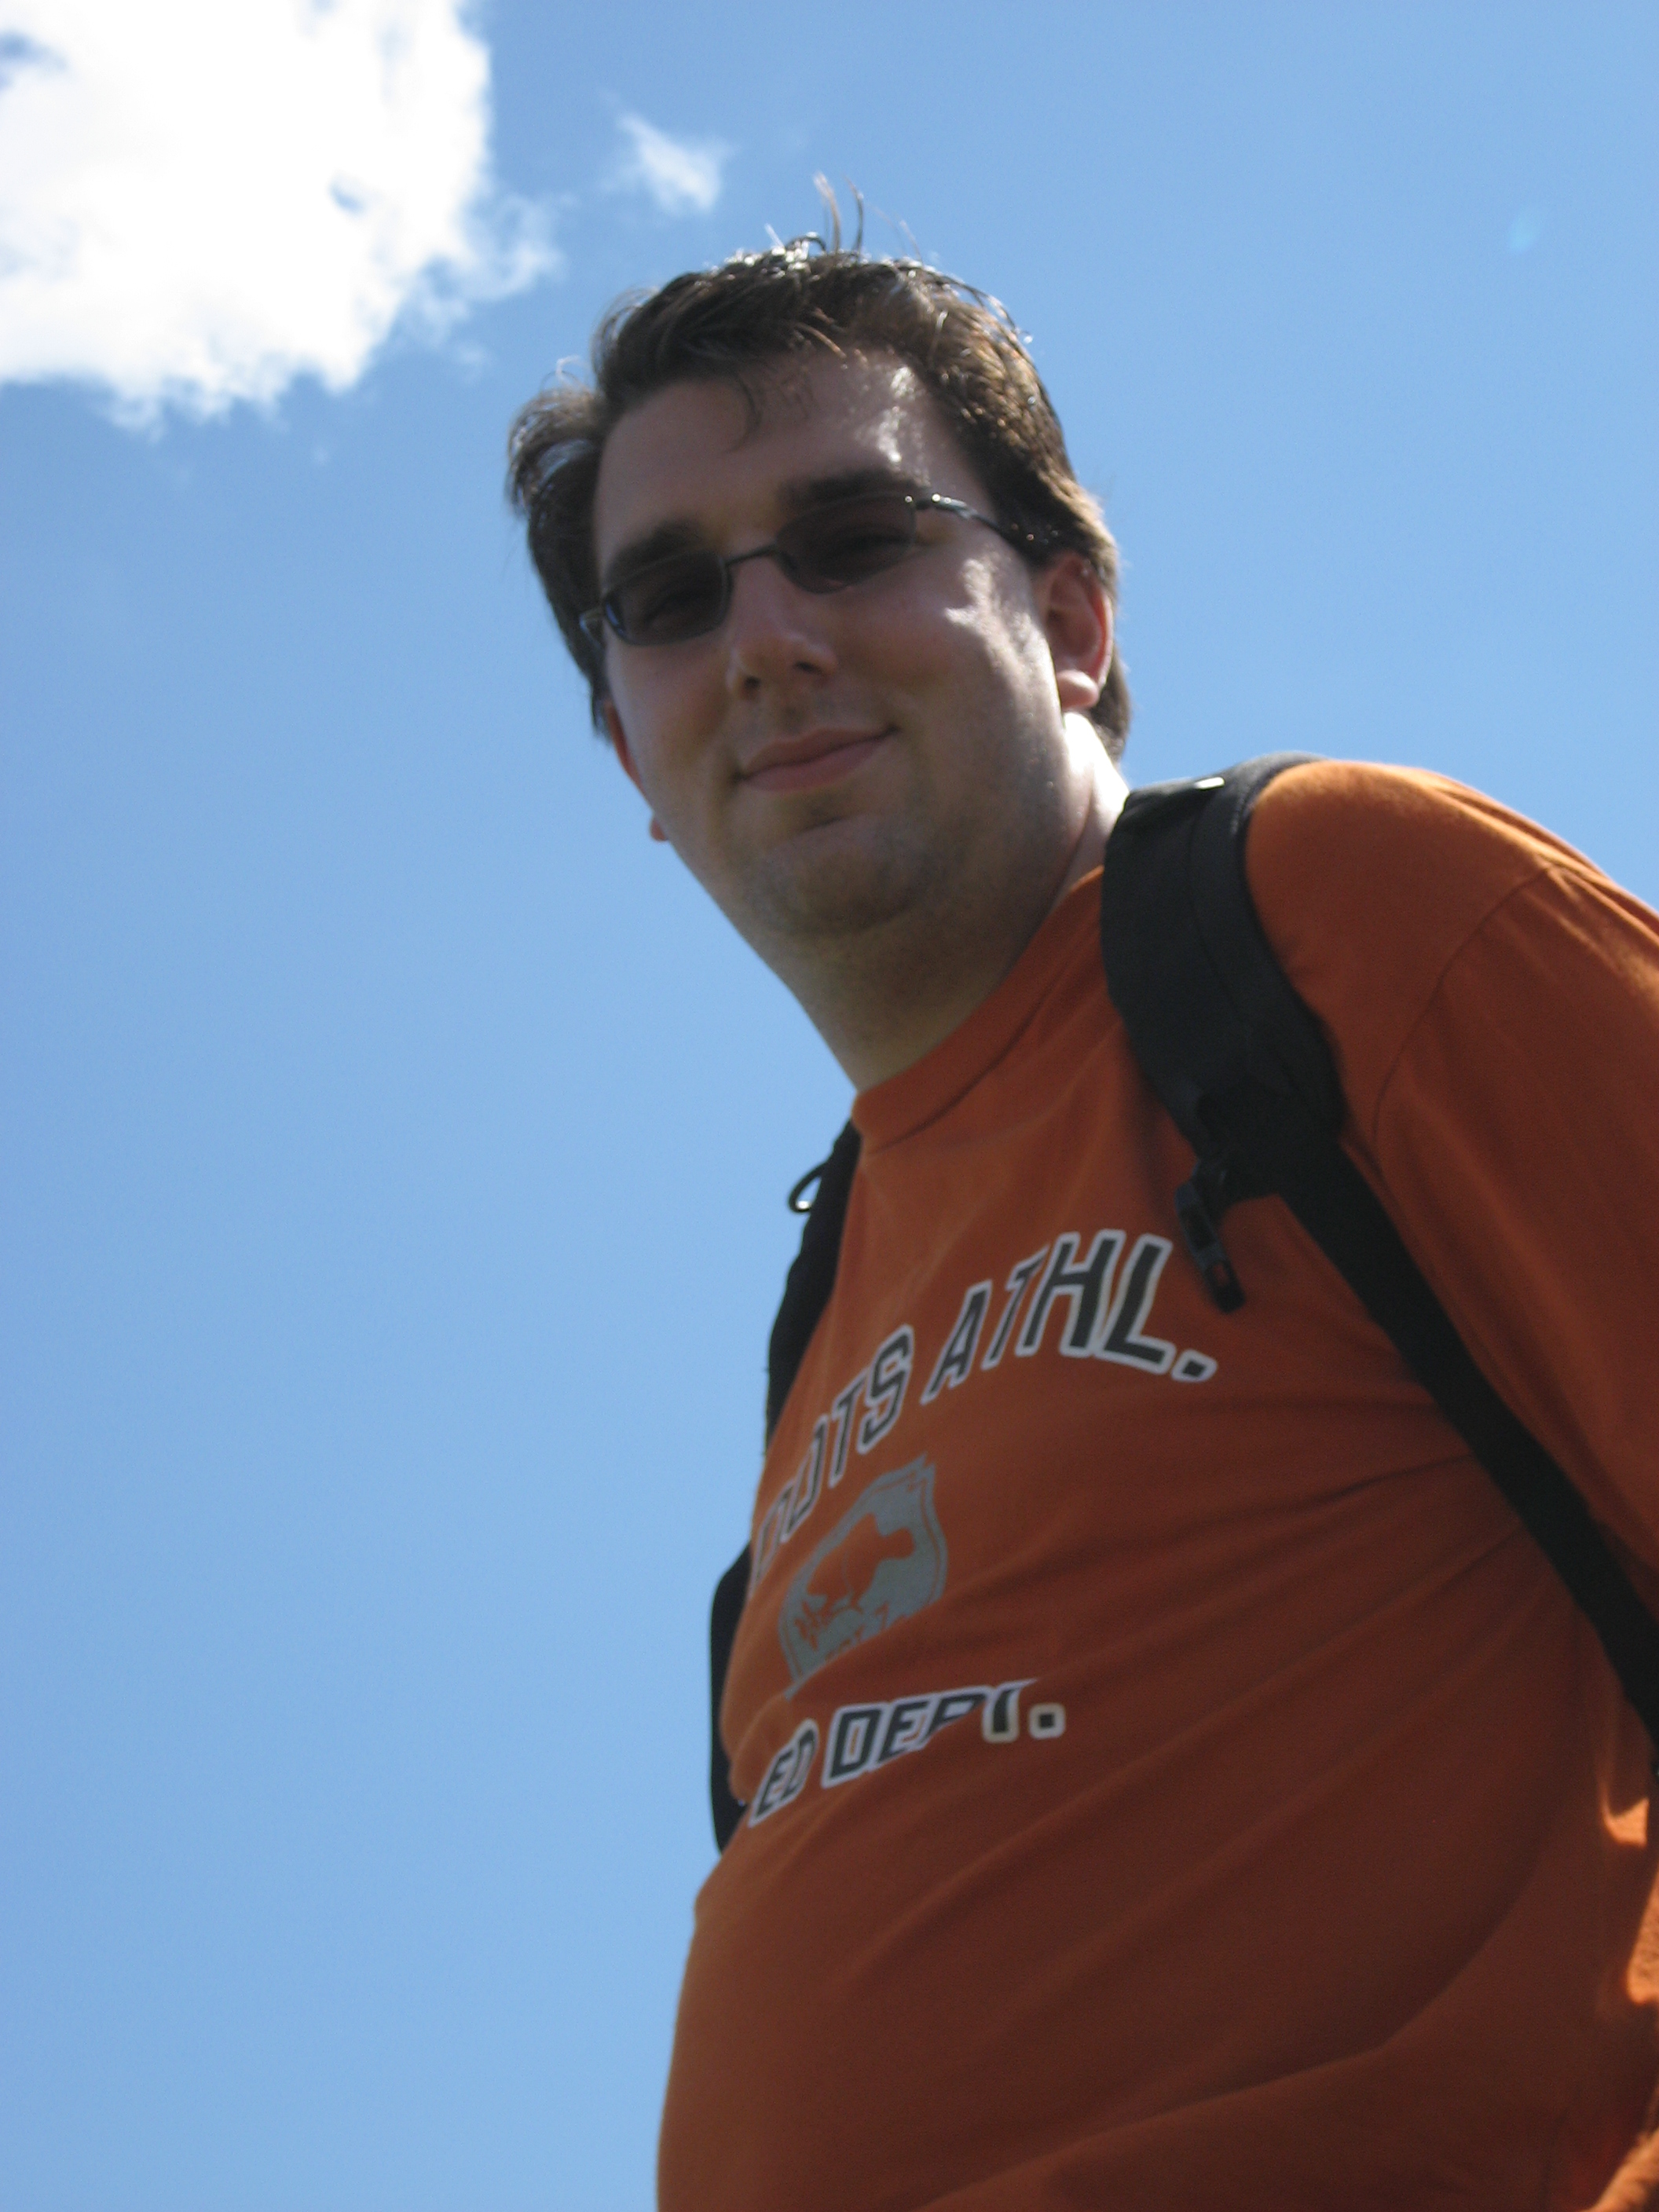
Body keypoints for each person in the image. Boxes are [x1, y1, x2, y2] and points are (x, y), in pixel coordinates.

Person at [507, 237, 1659, 2210]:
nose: (765, 635)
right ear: (630, 745)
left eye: (853, 538)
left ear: (1068, 615)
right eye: (673, 599)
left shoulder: (1340, 914)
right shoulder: (823, 1305)